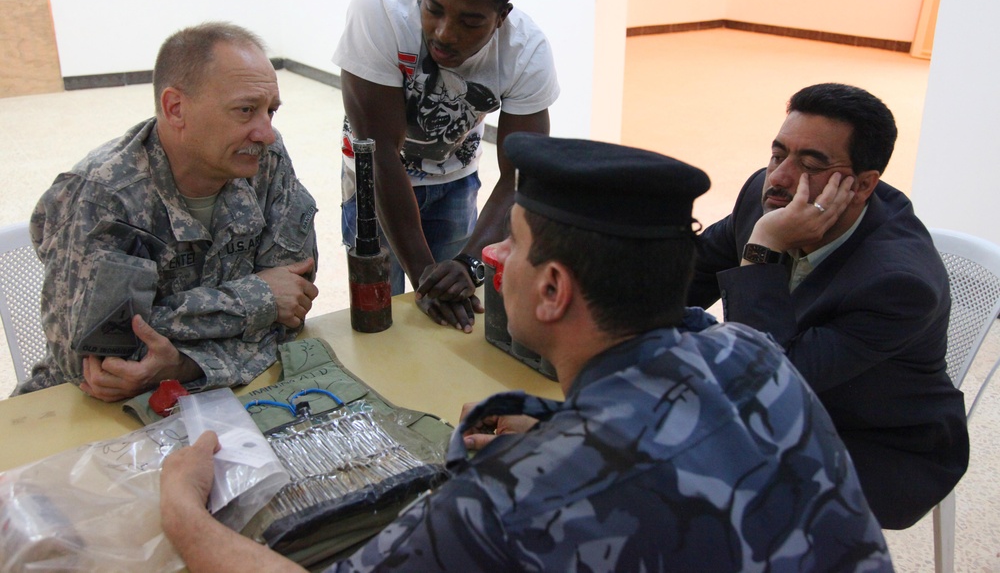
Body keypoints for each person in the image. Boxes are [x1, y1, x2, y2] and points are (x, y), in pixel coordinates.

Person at [160, 134, 892, 572]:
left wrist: (185, 511)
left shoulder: (509, 498)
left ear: (551, 289)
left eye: (513, 241)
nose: (494, 254)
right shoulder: (756, 352)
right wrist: (559, 426)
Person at [687, 82, 969, 529]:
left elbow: (767, 385)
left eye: (810, 165)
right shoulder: (765, 193)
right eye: (778, 153)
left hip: (875, 443)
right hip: (790, 396)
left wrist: (766, 245)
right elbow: (685, 281)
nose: (778, 178)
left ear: (861, 186)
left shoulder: (899, 284)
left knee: (700, 484)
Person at [12, 22, 320, 403]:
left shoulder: (265, 160)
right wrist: (255, 299)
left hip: (226, 399)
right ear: (176, 108)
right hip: (81, 413)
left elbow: (291, 312)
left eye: (270, 111)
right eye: (245, 110)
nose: (266, 132)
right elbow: (100, 364)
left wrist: (182, 367)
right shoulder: (104, 196)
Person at [333, 0, 559, 333]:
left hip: (455, 181)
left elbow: (523, 174)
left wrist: (469, 263)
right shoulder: (379, 10)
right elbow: (379, 152)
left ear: (501, 18)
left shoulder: (526, 52)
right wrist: (424, 275)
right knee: (378, 319)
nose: (444, 33)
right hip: (373, 181)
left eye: (471, 22)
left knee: (452, 315)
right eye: (433, 9)